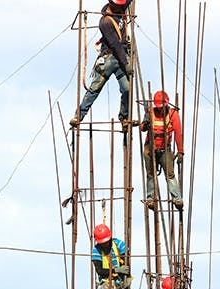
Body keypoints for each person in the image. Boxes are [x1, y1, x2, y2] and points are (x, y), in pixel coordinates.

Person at [70, 0, 134, 128]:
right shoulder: (105, 22)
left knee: (127, 89)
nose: (120, 7)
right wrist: (126, 64)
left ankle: (124, 117)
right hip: (110, 58)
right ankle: (79, 115)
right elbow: (115, 45)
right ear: (111, 4)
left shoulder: (121, 8)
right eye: (118, 5)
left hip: (121, 57)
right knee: (95, 88)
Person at [139, 90, 184, 209]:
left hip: (165, 150)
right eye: (158, 107)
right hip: (150, 149)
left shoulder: (173, 114)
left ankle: (177, 199)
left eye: (162, 107)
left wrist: (180, 151)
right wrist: (146, 123)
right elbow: (142, 128)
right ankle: (150, 199)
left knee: (170, 175)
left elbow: (178, 133)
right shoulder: (150, 112)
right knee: (150, 174)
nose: (160, 110)